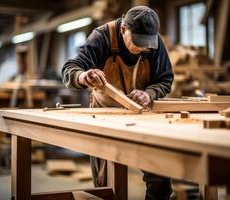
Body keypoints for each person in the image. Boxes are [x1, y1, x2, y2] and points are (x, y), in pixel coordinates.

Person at [61, 6, 174, 199]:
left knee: (160, 175)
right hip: (105, 117)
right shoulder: (102, 36)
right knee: (105, 185)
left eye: (147, 43)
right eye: (138, 42)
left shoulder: (154, 44)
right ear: (123, 29)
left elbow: (165, 79)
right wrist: (83, 76)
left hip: (141, 117)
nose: (143, 48)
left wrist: (150, 93)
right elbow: (69, 69)